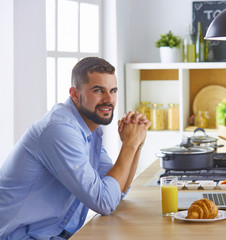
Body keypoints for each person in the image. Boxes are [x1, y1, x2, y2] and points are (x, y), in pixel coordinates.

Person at [0, 57, 151, 239]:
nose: (109, 99)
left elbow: (117, 192)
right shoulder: (60, 130)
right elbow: (104, 202)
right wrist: (129, 144)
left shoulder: (90, 131)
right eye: (98, 90)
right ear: (74, 94)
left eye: (113, 90)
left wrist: (137, 144)